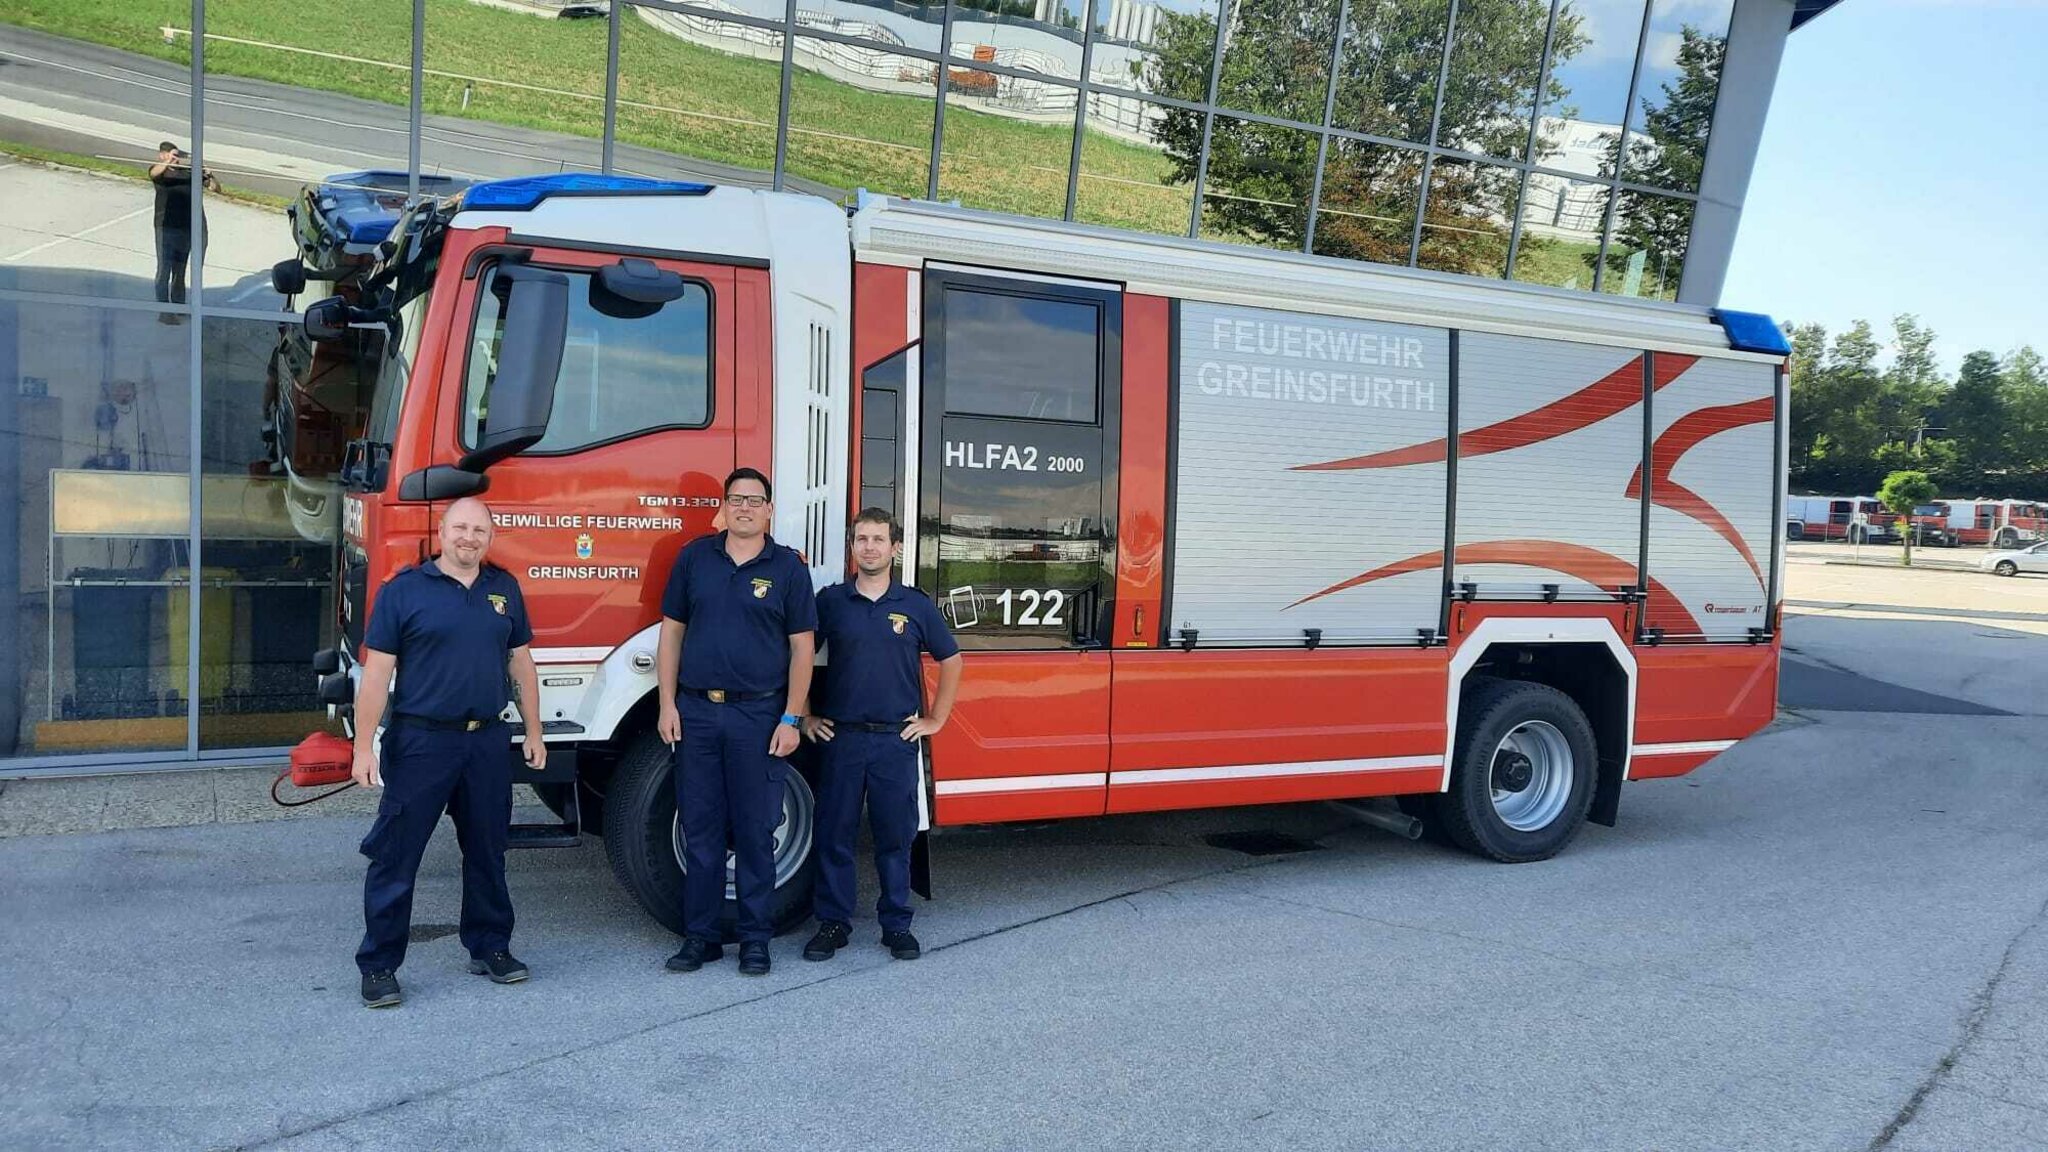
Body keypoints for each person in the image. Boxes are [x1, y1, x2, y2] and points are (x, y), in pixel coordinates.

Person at [349, 497, 547, 1009]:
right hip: (421, 743)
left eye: (479, 530)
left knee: (487, 851)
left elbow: (521, 662)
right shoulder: (404, 591)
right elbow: (377, 675)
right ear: (442, 531)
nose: (469, 538)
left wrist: (534, 730)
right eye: (460, 527)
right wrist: (363, 747)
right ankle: (379, 966)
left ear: (491, 537)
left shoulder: (504, 588)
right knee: (396, 856)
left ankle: (490, 947)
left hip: (486, 742)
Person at [657, 468, 817, 977]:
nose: (744, 508)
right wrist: (667, 704)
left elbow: (802, 648)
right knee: (701, 830)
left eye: (754, 500)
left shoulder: (788, 568)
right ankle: (700, 938)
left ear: (769, 510)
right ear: (723, 508)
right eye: (736, 499)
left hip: (760, 716)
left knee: (755, 831)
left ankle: (755, 940)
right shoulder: (694, 559)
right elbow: (671, 634)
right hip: (698, 713)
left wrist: (791, 716)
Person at [801, 507, 962, 962]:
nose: (869, 547)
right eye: (861, 539)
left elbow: (952, 661)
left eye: (878, 539)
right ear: (851, 547)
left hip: (895, 740)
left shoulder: (915, 605)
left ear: (896, 547)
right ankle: (833, 924)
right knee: (834, 835)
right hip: (842, 739)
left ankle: (896, 924)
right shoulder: (831, 602)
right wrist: (805, 716)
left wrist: (936, 720)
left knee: (895, 836)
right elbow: (799, 657)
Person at [147, 141, 219, 306]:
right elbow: (153, 173)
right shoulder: (161, 174)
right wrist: (168, 162)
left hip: (186, 229)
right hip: (166, 227)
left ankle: (179, 306)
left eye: (177, 156)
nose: (176, 159)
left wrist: (210, 175)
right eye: (172, 155)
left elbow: (215, 188)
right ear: (162, 155)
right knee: (164, 269)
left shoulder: (188, 173)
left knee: (180, 271)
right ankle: (164, 308)